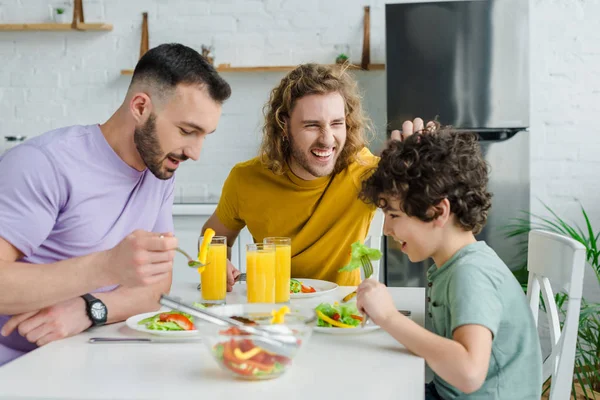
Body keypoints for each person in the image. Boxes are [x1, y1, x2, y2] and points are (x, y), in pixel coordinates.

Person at [0, 43, 232, 366]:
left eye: (204, 135)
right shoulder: (44, 165)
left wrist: (89, 308)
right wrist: (107, 266)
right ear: (140, 107)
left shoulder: (160, 170)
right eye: (186, 131)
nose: (195, 152)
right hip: (17, 368)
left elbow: (156, 287)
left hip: (88, 354)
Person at [356, 127, 543, 399]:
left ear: (438, 211)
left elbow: (468, 372)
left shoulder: (471, 275)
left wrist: (388, 317)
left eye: (394, 215)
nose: (386, 229)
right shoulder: (456, 264)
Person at [203, 63, 422, 286]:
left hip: (340, 314)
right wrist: (217, 262)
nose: (327, 139)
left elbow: (425, 209)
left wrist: (420, 160)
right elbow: (211, 236)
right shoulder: (245, 179)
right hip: (272, 310)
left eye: (337, 123)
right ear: (283, 125)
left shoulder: (365, 172)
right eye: (312, 125)